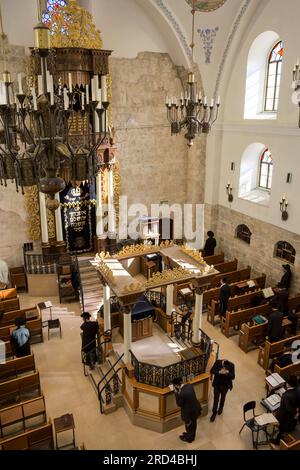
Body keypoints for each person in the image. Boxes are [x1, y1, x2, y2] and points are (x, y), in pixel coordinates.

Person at [172, 376, 202, 443]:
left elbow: (179, 404)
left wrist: (176, 393)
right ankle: (191, 435)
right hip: (195, 408)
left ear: (176, 385)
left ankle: (189, 438)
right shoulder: (189, 385)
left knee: (189, 425)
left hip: (189, 412)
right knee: (194, 424)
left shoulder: (182, 393)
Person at [271, 375, 299, 445]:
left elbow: (288, 409)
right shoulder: (298, 390)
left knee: (281, 429)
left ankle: (278, 441)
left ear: (288, 384)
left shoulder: (286, 395)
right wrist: (297, 412)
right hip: (292, 418)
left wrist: (296, 413)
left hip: (285, 417)